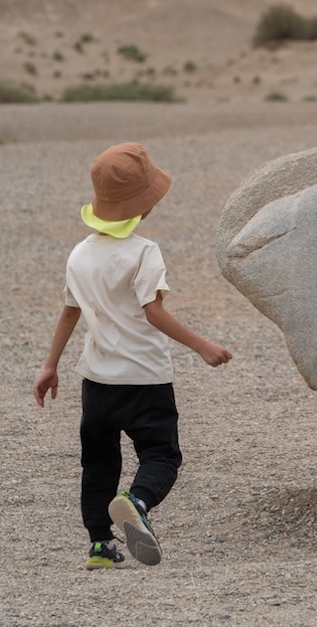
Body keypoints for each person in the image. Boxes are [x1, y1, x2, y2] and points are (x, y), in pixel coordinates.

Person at [34, 142, 233, 571]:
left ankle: (100, 546)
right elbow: (153, 311)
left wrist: (50, 365)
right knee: (162, 455)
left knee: (98, 461)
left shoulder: (80, 254)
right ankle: (136, 501)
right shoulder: (144, 252)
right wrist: (202, 346)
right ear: (143, 207)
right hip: (144, 377)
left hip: (97, 381)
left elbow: (69, 311)